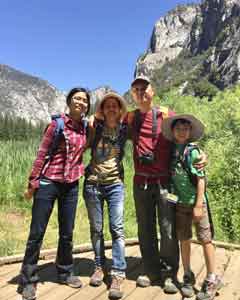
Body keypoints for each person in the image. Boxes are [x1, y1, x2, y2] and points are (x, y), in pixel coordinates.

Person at [127, 75, 207, 294]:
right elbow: (107, 123)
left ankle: (169, 272)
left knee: (168, 228)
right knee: (145, 228)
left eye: (145, 88)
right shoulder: (130, 118)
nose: (141, 92)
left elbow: (184, 135)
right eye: (136, 89)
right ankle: (150, 269)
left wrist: (201, 154)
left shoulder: (166, 114)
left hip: (164, 182)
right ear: (132, 95)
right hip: (140, 182)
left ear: (153, 91)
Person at [18, 87, 91, 300]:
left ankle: (65, 271)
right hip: (49, 182)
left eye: (84, 100)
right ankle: (28, 279)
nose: (80, 102)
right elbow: (42, 154)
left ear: (87, 106)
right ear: (69, 102)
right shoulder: (56, 124)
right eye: (77, 98)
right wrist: (33, 181)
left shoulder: (85, 128)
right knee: (37, 232)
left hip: (71, 185)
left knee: (67, 232)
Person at [161, 114, 222, 300]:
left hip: (197, 204)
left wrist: (198, 204)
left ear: (190, 132)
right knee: (184, 239)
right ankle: (187, 274)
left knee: (205, 239)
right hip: (179, 204)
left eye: (185, 128)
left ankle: (212, 277)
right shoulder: (171, 151)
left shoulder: (193, 151)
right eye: (178, 128)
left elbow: (201, 179)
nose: (181, 131)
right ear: (172, 131)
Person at [83, 92, 128, 300]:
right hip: (93, 183)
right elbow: (81, 142)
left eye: (114, 106)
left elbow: (151, 136)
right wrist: (92, 120)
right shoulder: (95, 126)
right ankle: (99, 267)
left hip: (115, 185)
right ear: (102, 109)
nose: (111, 108)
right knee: (97, 229)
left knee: (117, 229)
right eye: (107, 105)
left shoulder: (126, 128)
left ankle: (118, 273)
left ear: (119, 110)